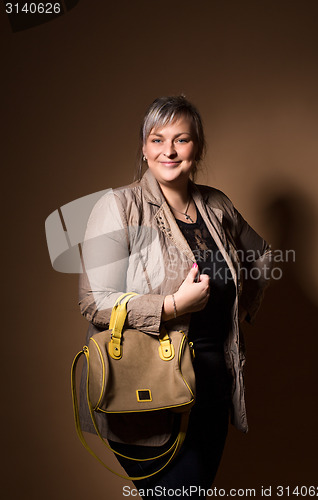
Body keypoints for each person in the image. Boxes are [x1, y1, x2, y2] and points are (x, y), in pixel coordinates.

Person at [78, 95, 271, 497]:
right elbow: (94, 301)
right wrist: (171, 307)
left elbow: (264, 257)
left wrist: (239, 308)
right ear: (144, 149)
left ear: (196, 147)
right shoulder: (118, 206)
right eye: (156, 139)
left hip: (213, 385)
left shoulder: (217, 205)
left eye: (181, 139)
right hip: (146, 391)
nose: (168, 150)